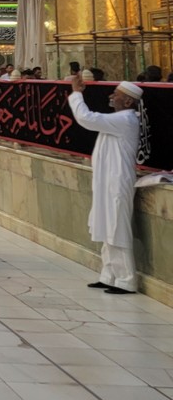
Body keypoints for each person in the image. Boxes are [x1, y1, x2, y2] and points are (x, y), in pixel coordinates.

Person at [68, 76, 143, 293]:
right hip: (106, 180)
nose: (112, 97)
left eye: (116, 94)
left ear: (128, 102)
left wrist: (76, 93)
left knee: (117, 228)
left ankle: (127, 279)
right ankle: (109, 275)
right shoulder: (118, 119)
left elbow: (86, 118)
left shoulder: (126, 120)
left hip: (117, 181)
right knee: (106, 224)